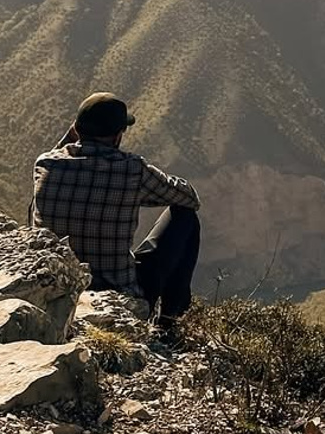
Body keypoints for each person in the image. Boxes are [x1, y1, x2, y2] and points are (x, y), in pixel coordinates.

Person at [32, 91, 201, 333]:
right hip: (119, 295)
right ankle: (170, 322)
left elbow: (54, 155)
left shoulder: (44, 165)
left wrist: (71, 137)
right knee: (185, 218)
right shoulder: (132, 170)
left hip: (60, 290)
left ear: (76, 130)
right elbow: (189, 198)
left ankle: (168, 322)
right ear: (118, 136)